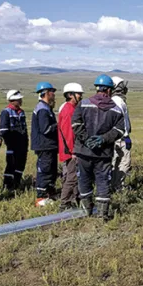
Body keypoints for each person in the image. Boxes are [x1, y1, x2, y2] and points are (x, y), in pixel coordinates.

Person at [72, 74, 125, 220]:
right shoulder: (116, 109)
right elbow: (119, 131)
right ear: (109, 90)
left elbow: (75, 124)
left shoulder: (83, 104)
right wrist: (103, 139)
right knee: (102, 181)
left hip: (83, 151)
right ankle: (102, 214)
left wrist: (86, 139)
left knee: (84, 179)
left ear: (97, 88)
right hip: (103, 154)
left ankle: (86, 210)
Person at [31, 82, 58, 207]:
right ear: (46, 93)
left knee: (51, 170)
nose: (54, 94)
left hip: (48, 145)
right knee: (45, 170)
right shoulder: (42, 109)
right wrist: (59, 125)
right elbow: (45, 129)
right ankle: (41, 198)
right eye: (52, 91)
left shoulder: (45, 107)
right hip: (44, 145)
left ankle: (48, 194)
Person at [57, 83, 84, 211]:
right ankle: (64, 203)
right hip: (71, 151)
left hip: (72, 149)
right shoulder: (68, 111)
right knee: (72, 177)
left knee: (73, 176)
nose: (81, 96)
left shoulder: (72, 108)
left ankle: (73, 200)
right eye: (79, 94)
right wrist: (73, 151)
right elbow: (69, 134)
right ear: (70, 95)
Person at [0, 89, 28, 192]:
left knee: (20, 165)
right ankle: (8, 186)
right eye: (18, 99)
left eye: (20, 99)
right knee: (11, 165)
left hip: (22, 145)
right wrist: (10, 144)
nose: (20, 101)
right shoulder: (6, 112)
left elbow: (24, 129)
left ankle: (17, 184)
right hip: (12, 145)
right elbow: (4, 130)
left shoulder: (22, 112)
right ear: (11, 100)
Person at [111, 76, 132, 192]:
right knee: (124, 162)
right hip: (121, 138)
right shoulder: (118, 101)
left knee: (115, 162)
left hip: (116, 137)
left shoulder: (115, 100)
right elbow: (121, 121)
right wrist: (126, 135)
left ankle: (114, 185)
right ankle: (118, 186)